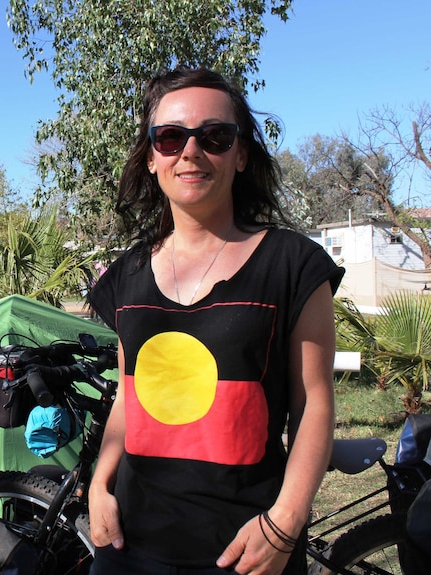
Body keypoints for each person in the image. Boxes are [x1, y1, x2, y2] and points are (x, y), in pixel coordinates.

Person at [87, 67, 344, 575]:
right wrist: (99, 483)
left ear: (241, 154)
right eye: (169, 137)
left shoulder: (292, 264)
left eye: (215, 136)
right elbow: (129, 394)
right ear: (152, 157)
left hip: (250, 550)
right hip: (130, 549)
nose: (190, 151)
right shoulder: (127, 275)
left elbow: (313, 401)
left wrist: (285, 522)